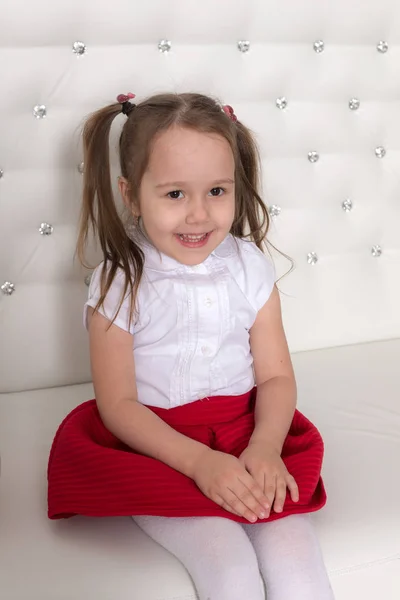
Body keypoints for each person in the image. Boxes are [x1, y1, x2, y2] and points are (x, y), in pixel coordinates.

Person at [47, 92, 334, 599]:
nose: (199, 215)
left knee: (297, 555)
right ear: (132, 195)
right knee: (228, 568)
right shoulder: (120, 281)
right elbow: (118, 406)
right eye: (175, 194)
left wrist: (266, 446)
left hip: (246, 431)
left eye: (218, 191)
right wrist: (200, 463)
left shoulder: (249, 268)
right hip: (161, 444)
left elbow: (275, 376)